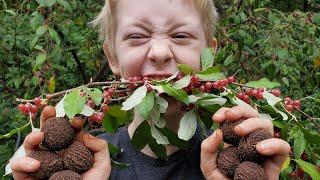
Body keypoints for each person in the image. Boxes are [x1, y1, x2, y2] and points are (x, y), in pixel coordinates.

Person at [11, 0, 291, 179]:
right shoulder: (86, 165)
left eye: (181, 35)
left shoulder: (235, 158)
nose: (159, 52)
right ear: (112, 57)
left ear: (209, 56)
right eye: (137, 36)